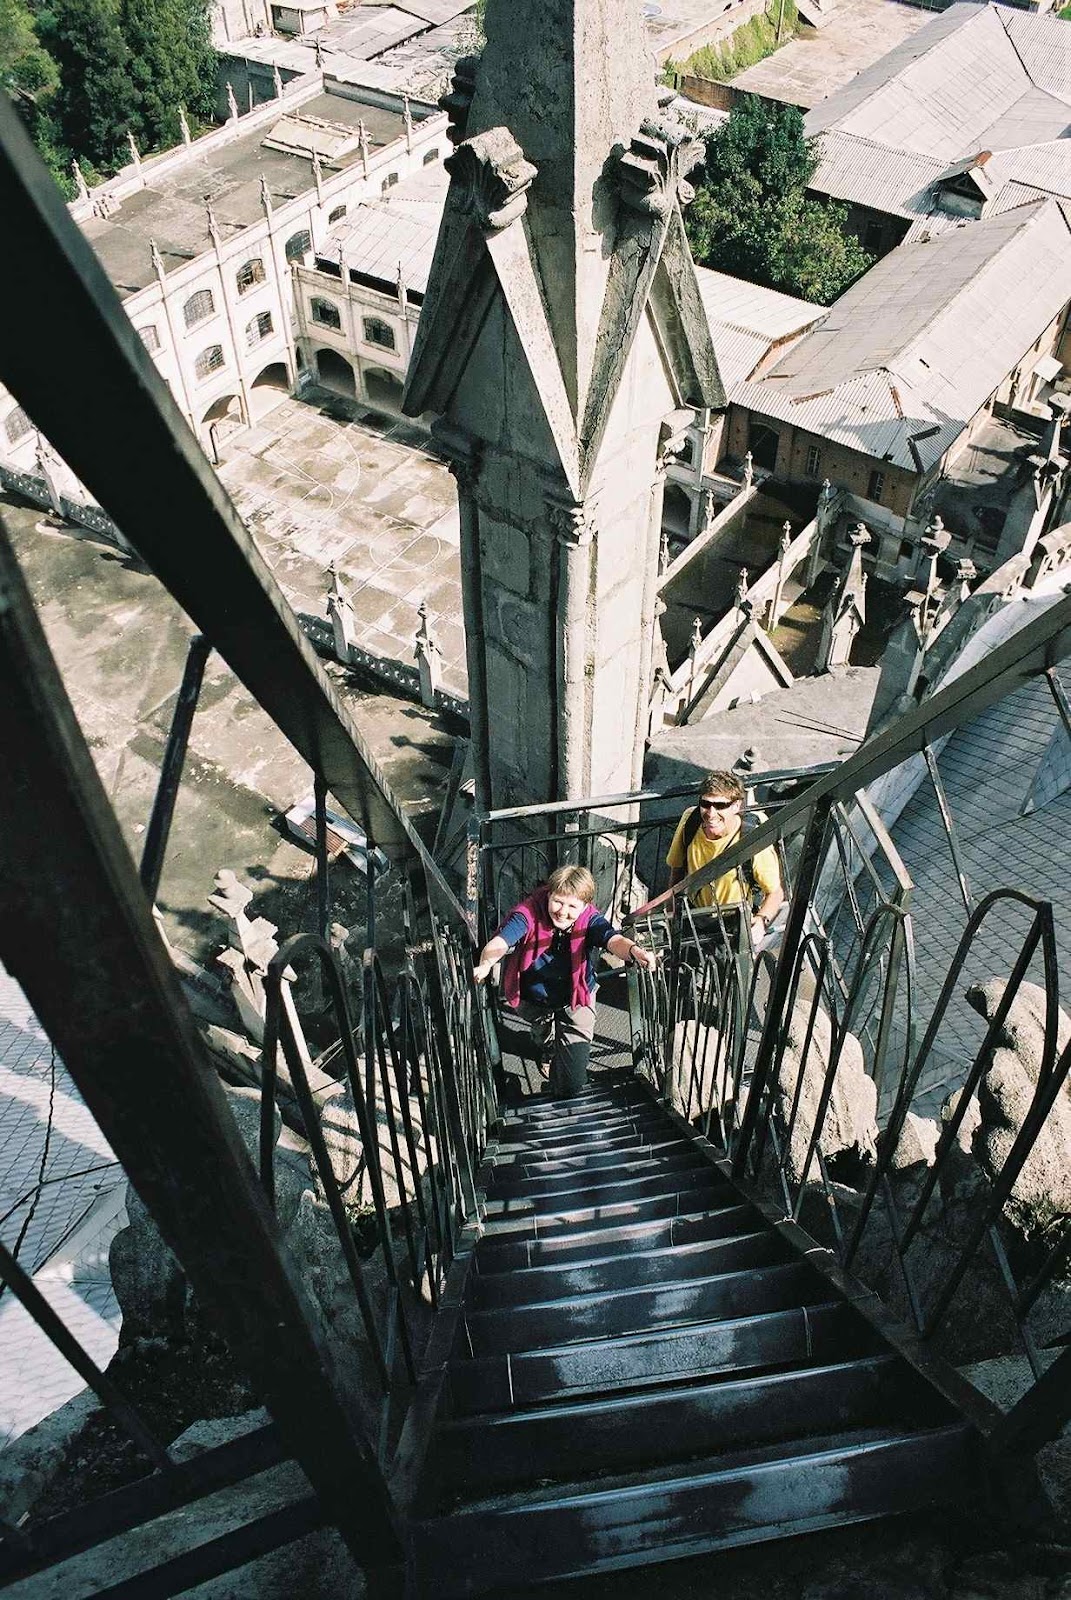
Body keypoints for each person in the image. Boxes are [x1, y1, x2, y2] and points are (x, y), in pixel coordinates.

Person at [473, 864, 657, 1099]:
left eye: (572, 906)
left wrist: (633, 951)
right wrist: (487, 963)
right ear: (548, 895)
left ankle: (558, 1085)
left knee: (572, 1082)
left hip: (576, 996)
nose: (562, 912)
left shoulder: (589, 919)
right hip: (535, 997)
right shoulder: (530, 912)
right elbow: (502, 941)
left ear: (585, 906)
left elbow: (611, 939)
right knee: (541, 1032)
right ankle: (548, 1048)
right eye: (558, 901)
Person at [665, 770, 784, 948]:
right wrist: (671, 912)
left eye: (720, 806)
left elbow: (775, 892)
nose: (711, 813)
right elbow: (677, 869)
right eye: (705, 804)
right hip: (693, 916)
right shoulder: (690, 820)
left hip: (732, 925)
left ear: (736, 806)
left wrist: (761, 920)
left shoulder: (751, 839)